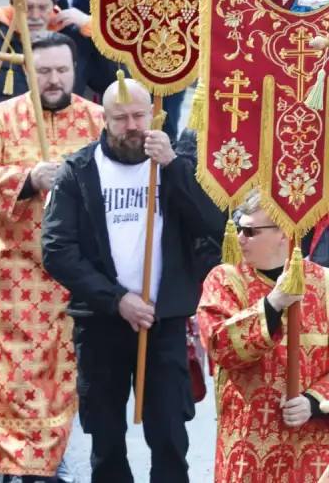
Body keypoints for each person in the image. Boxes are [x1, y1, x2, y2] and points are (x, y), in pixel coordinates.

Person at [43, 77, 223, 483]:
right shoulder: (80, 170)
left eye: (139, 115)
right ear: (103, 120)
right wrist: (116, 299)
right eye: (120, 118)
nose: (132, 126)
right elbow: (57, 250)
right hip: (102, 321)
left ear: (154, 114)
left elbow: (213, 224)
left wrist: (174, 166)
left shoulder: (175, 166)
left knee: (171, 436)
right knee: (105, 437)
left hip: (164, 323)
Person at [0, 33, 105, 482]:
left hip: (76, 277)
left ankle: (48, 462)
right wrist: (28, 178)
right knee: (14, 381)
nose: (54, 79)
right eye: (44, 72)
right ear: (27, 73)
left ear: (74, 71)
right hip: (14, 274)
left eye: (62, 70)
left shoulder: (99, 121)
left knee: (65, 381)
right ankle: (16, 466)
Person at [196, 194, 329, 481]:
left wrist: (314, 402)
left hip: (313, 448)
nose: (240, 238)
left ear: (284, 232)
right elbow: (220, 347)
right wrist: (274, 303)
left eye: (251, 231)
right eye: (238, 228)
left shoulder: (325, 284)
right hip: (248, 444)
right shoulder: (225, 280)